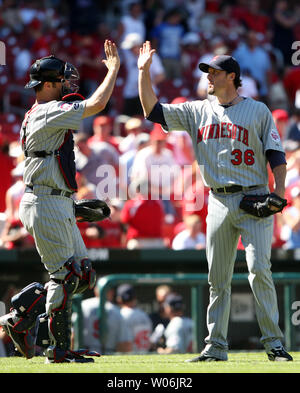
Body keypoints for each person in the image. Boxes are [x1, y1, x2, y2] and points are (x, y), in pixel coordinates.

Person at [138, 41, 293, 362]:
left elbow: (277, 155)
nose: (208, 76)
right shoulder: (197, 110)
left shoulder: (258, 110)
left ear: (232, 76)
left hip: (255, 197)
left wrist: (278, 192)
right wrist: (143, 72)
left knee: (258, 270)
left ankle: (274, 344)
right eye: (207, 71)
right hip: (219, 201)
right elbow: (152, 111)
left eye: (215, 71)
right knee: (217, 278)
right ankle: (216, 347)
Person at [1, 40, 120, 363]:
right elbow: (96, 105)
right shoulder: (49, 111)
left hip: (55, 200)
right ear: (48, 84)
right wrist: (112, 72)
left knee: (81, 275)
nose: (69, 84)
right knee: (65, 277)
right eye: (63, 80)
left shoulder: (47, 111)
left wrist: (70, 205)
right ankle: (56, 348)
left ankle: (20, 318)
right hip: (44, 200)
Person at [80, 281, 131, 354]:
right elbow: (125, 345)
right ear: (111, 292)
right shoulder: (116, 311)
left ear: (96, 290)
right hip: (108, 354)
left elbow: (73, 337)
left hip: (85, 354)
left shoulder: (83, 305)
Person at [116, 284, 153, 353]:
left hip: (130, 358)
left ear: (119, 299)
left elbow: (126, 345)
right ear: (134, 298)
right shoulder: (144, 315)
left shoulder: (121, 315)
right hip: (146, 356)